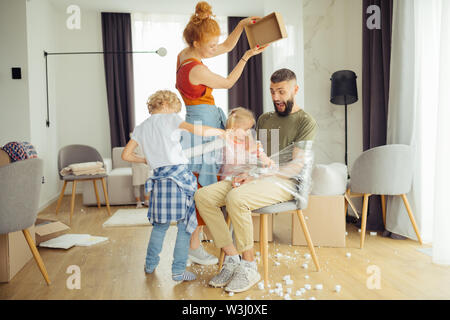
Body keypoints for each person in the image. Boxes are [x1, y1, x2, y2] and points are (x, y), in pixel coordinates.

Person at [194, 68, 318, 293]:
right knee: (203, 196)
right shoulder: (265, 119)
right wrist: (246, 172)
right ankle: (232, 259)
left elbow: (296, 165)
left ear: (295, 89)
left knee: (237, 198)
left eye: (281, 91)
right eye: (272, 91)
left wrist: (257, 174)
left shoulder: (305, 121)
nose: (276, 98)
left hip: (285, 182)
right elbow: (256, 154)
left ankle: (249, 265)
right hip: (257, 176)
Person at [176, 1, 268, 265]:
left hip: (199, 120)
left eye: (215, 43)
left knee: (201, 185)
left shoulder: (184, 55)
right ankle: (194, 246)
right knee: (202, 186)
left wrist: (239, 26)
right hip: (204, 127)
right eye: (210, 45)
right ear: (197, 43)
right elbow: (228, 82)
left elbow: (225, 45)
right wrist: (246, 57)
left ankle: (198, 243)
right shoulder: (198, 69)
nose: (215, 48)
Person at [121, 90, 225, 282]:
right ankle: (178, 272)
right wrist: (221, 132)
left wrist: (146, 159)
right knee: (185, 227)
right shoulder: (171, 119)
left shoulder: (141, 127)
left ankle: (150, 265)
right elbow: (198, 130)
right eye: (176, 108)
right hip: (179, 178)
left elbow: (125, 155)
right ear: (167, 105)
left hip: (159, 180)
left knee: (159, 227)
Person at [219, 107, 273, 182]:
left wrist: (264, 157)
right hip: (230, 179)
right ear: (234, 128)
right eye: (246, 129)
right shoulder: (227, 143)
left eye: (250, 129)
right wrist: (250, 152)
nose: (249, 132)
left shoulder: (246, 141)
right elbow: (234, 162)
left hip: (245, 177)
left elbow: (259, 155)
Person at [131, 144, 150, 208]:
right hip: (136, 166)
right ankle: (138, 202)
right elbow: (131, 154)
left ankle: (147, 201)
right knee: (137, 185)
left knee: (147, 184)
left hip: (146, 166)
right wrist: (141, 159)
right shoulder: (133, 143)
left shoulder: (147, 142)